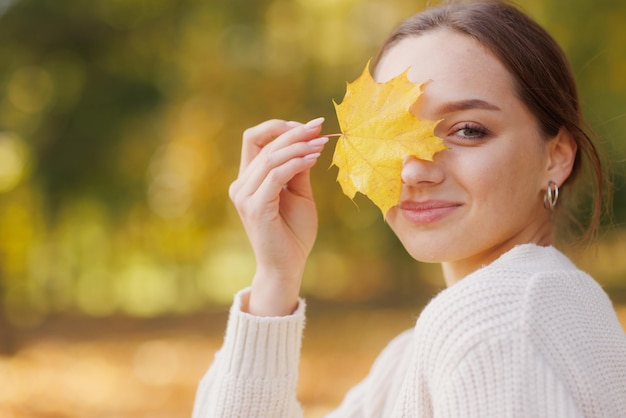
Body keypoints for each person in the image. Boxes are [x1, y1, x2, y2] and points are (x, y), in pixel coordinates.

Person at [192, 1, 626, 417]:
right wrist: (276, 278)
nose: (415, 170)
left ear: (556, 156)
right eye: (396, 134)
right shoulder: (413, 355)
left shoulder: (494, 322)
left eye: (468, 130)